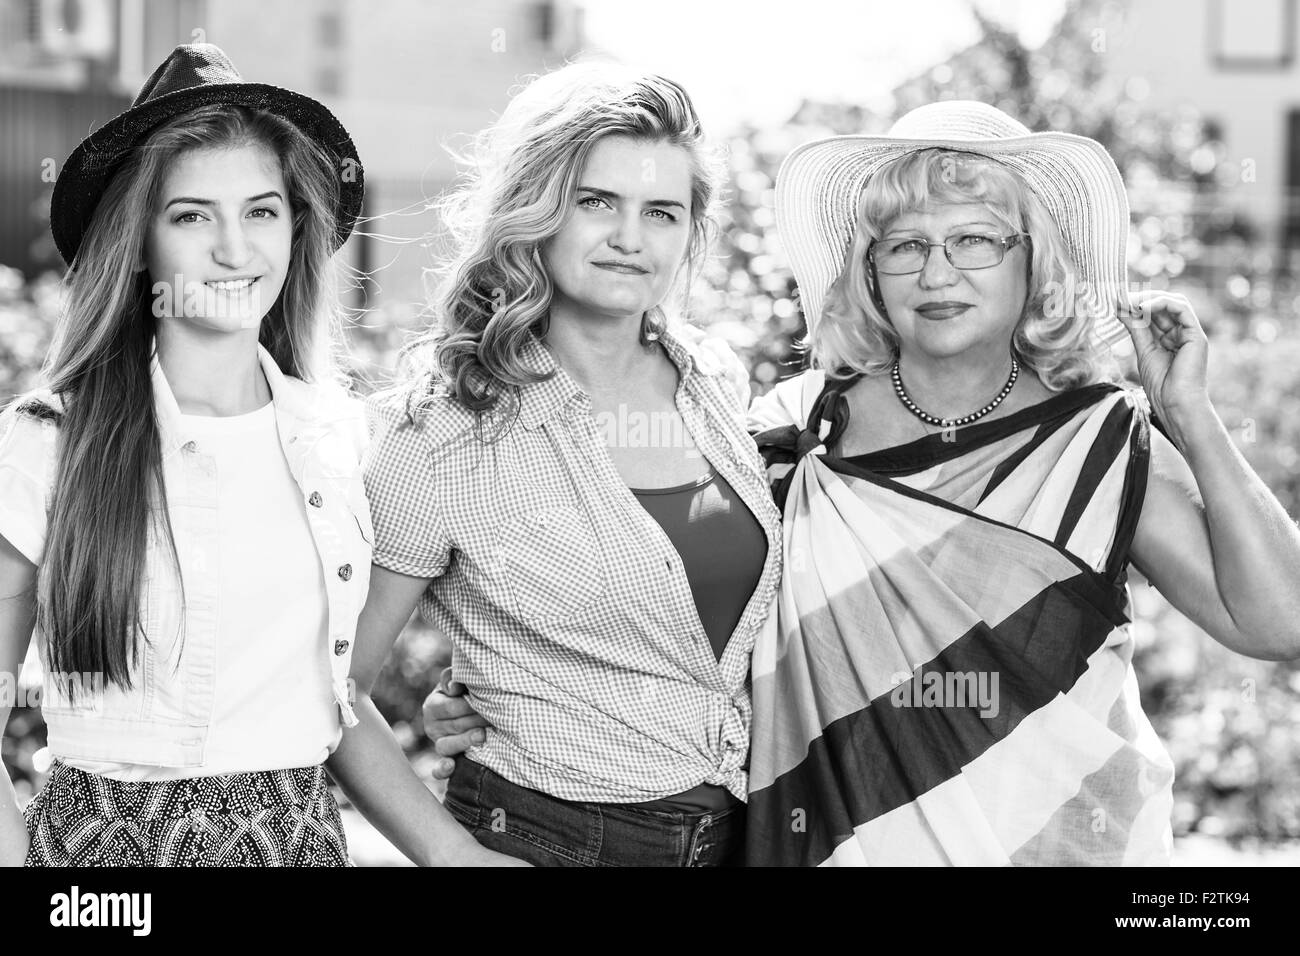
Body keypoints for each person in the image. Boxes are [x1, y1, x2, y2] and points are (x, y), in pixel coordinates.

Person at [741, 100, 1300, 866]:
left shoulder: (1100, 440)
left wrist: (1189, 414)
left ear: (1033, 258)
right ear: (870, 270)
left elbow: (1278, 621)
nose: (937, 273)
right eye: (904, 244)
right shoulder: (798, 437)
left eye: (974, 239)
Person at [0, 43, 473, 867]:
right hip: (103, 862)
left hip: (298, 842)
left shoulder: (343, 441)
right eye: (191, 216)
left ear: (296, 227)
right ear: (139, 242)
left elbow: (340, 700)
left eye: (261, 211)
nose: (234, 249)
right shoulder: (51, 442)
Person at [350, 61, 782, 867]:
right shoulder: (442, 433)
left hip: (737, 832)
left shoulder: (716, 381)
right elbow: (330, 685)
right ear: (537, 211)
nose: (629, 238)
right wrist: (453, 858)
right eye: (596, 202)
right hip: (549, 838)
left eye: (661, 211)